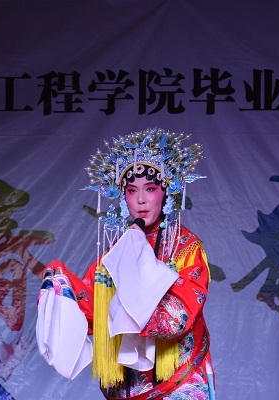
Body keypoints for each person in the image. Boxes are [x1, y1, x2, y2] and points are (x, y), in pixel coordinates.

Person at [36, 127, 215, 399]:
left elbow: (177, 319)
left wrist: (139, 282)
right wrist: (62, 284)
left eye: (150, 189)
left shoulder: (186, 249)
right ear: (123, 197)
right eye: (132, 191)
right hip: (128, 385)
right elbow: (95, 306)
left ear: (166, 192)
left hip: (179, 379)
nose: (141, 200)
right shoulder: (118, 252)